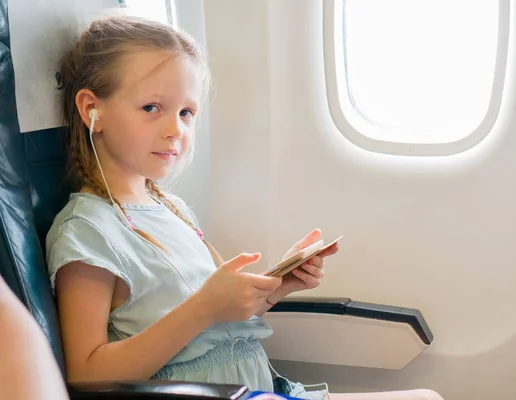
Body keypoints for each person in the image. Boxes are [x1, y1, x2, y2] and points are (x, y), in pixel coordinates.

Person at [46, 13, 443, 400]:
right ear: (91, 111)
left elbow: (214, 330)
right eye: (152, 107)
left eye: (187, 112)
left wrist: (272, 291)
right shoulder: (86, 231)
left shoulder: (171, 208)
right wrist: (204, 308)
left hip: (261, 388)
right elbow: (87, 375)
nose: (176, 130)